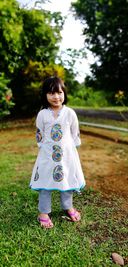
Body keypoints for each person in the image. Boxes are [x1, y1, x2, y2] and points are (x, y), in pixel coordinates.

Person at [30, 76, 85, 229]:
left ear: (64, 94)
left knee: (67, 181)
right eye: (51, 93)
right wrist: (45, 148)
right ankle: (43, 212)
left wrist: (71, 149)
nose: (56, 97)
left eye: (59, 92)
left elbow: (75, 133)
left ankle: (68, 207)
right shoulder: (42, 114)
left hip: (67, 155)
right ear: (45, 96)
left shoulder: (70, 113)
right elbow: (39, 134)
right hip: (47, 156)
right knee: (44, 184)